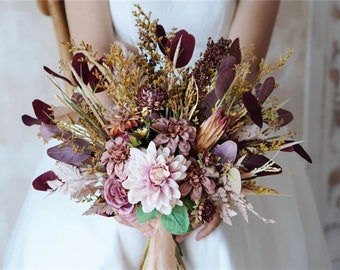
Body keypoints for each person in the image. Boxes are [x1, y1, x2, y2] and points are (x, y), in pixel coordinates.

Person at [4, 1, 333, 269]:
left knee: (222, 242)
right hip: (115, 120)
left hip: (220, 121)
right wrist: (134, 167)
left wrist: (198, 170)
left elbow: (243, 61)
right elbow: (94, 57)